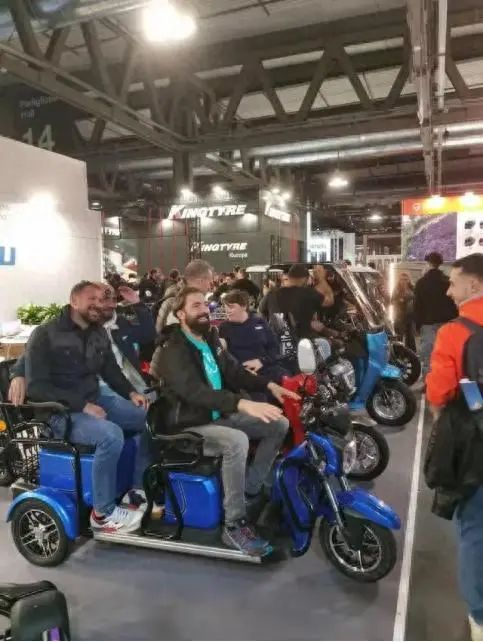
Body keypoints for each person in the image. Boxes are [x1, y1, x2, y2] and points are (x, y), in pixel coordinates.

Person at [150, 286, 298, 556]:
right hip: (188, 425)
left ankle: (249, 489)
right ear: (180, 314)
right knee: (236, 442)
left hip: (217, 416)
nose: (204, 310)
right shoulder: (172, 349)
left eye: (205, 305)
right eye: (196, 306)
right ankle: (234, 524)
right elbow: (195, 392)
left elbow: (234, 371)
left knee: (278, 424)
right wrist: (241, 403)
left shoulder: (210, 338)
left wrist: (269, 385)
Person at [20, 281, 150, 534]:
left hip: (95, 400)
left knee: (147, 418)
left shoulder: (98, 331)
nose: (98, 304)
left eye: (101, 300)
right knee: (110, 435)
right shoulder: (45, 334)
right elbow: (37, 387)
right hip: (59, 413)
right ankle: (102, 513)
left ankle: (136, 488)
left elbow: (110, 369)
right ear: (74, 300)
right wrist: (82, 405)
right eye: (92, 298)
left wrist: (131, 392)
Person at [426, 253, 483, 641]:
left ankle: (479, 616)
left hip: (474, 447)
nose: (449, 290)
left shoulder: (454, 332)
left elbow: (439, 392)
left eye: (454, 282)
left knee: (475, 529)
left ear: (474, 285)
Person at [9, 282, 157, 402]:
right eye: (104, 299)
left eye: (114, 299)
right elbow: (34, 350)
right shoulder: (72, 325)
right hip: (91, 389)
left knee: (144, 409)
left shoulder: (121, 323)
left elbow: (148, 335)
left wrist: (137, 303)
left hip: (122, 382)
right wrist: (19, 373)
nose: (111, 304)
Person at [220, 289, 289, 384]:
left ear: (243, 306)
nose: (227, 311)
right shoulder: (224, 328)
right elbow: (224, 356)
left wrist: (262, 361)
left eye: (231, 307)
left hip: (266, 367)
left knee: (287, 379)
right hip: (242, 374)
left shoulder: (259, 322)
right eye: (225, 307)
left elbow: (274, 347)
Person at [414, 251, 458, 378]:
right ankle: (447, 379)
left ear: (428, 263)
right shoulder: (447, 281)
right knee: (446, 353)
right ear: (440, 264)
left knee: (428, 356)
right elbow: (454, 302)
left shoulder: (421, 282)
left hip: (428, 323)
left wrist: (418, 325)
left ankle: (428, 382)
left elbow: (417, 306)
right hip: (447, 322)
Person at [155, 259, 213, 332]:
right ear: (201, 281)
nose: (210, 287)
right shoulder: (175, 303)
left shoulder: (173, 296)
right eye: (210, 283)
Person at [391, 272, 416, 352]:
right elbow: (392, 301)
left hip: (410, 315)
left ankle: (411, 353)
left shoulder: (413, 288)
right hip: (399, 316)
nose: (404, 281)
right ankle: (399, 353)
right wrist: (400, 300)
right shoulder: (396, 289)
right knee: (399, 336)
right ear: (399, 280)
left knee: (410, 337)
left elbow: (416, 299)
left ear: (409, 280)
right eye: (402, 279)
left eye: (405, 279)